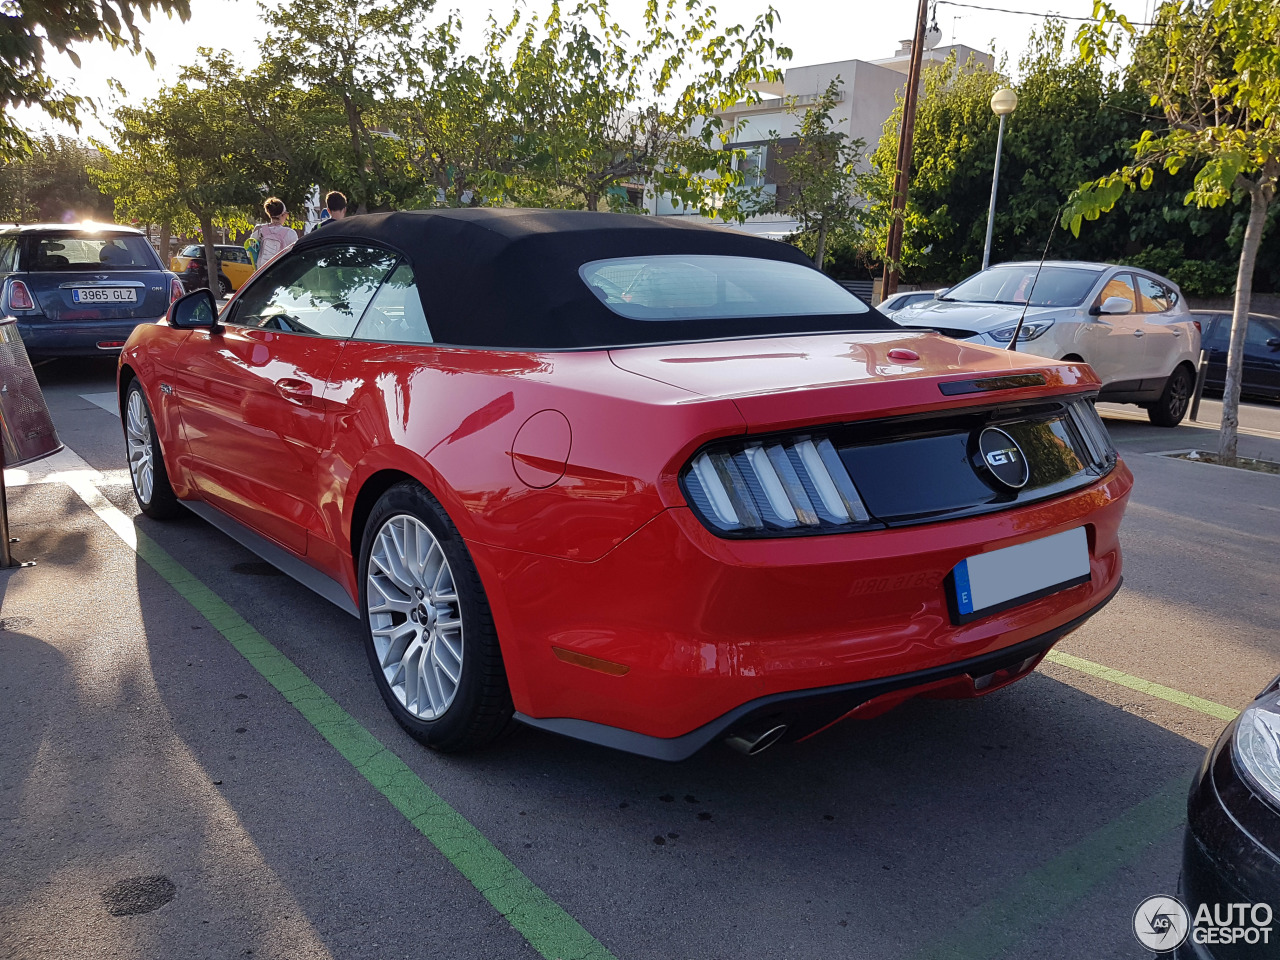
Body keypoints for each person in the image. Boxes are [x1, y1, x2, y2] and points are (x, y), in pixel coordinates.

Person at [248, 197, 297, 269]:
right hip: (282, 272)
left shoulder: (259, 230)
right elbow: (295, 255)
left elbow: (250, 254)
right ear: (283, 215)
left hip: (263, 272)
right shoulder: (290, 233)